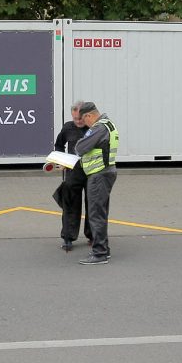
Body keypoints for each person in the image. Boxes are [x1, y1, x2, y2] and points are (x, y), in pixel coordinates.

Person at [73, 102, 119, 264]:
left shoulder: (98, 128)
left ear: (89, 115)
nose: (84, 124)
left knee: (96, 214)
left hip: (99, 174)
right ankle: (103, 250)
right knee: (101, 212)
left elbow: (80, 147)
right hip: (106, 172)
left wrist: (80, 144)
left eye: (84, 120)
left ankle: (99, 253)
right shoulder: (109, 124)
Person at [53, 101, 91, 251]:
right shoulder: (68, 127)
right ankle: (68, 237)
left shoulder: (95, 128)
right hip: (73, 171)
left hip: (92, 171)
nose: (78, 122)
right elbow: (59, 145)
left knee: (93, 205)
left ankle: (93, 235)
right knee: (70, 205)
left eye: (80, 119)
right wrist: (61, 159)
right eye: (75, 118)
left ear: (87, 116)